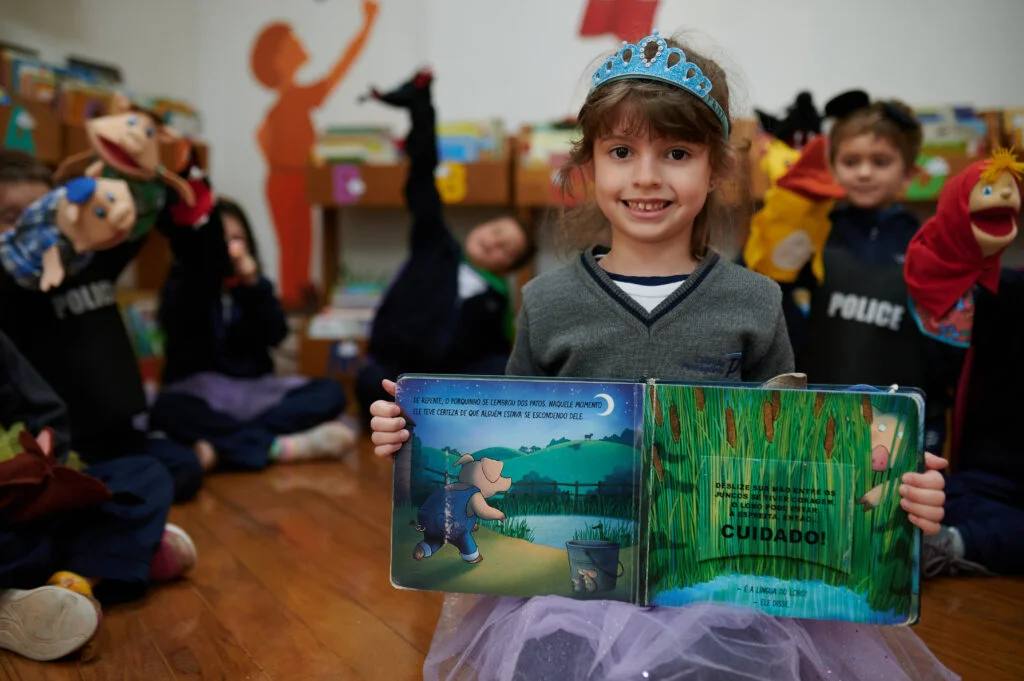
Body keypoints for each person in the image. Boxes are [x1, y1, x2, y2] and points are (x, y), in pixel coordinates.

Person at [368, 30, 954, 681]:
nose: (646, 176)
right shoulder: (546, 302)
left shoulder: (757, 301)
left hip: (720, 586)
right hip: (572, 590)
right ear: (590, 165)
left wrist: (898, 487)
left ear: (716, 169)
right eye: (621, 151)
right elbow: (495, 436)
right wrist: (413, 436)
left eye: (677, 152)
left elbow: (793, 453)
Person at [0, 149, 202, 502]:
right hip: (67, 448)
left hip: (122, 434)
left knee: (181, 466)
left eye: (44, 212)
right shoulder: (9, 286)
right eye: (12, 217)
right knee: (137, 481)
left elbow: (141, 212)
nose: (36, 227)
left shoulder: (90, 259)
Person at [0, 328, 195, 663]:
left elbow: (48, 414)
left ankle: (71, 584)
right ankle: (118, 558)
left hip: (33, 499)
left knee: (146, 475)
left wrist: (45, 460)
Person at [354, 69, 534, 416]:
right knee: (370, 382)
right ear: (482, 226)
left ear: (507, 268)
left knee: (500, 370)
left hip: (450, 387)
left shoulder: (495, 299)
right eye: (496, 231)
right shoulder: (435, 245)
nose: (494, 243)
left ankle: (437, 417)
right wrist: (422, 111)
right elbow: (422, 180)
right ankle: (416, 417)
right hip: (398, 374)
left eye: (506, 249)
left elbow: (496, 358)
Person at [149, 195, 356, 471]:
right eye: (219, 240)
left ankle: (224, 447)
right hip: (199, 395)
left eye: (237, 239)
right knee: (165, 408)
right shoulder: (184, 281)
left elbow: (276, 333)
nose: (229, 248)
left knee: (330, 393)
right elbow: (177, 331)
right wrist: (202, 275)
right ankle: (277, 447)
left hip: (257, 394)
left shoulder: (255, 286)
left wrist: (252, 285)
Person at [251, 0, 379, 308]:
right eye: (292, 42)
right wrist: (367, 25)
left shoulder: (293, 100)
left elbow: (263, 137)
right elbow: (340, 69)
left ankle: (298, 301)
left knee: (301, 249)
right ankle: (293, 304)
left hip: (297, 179)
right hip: (286, 181)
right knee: (293, 250)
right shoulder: (290, 102)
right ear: (279, 58)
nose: (300, 44)